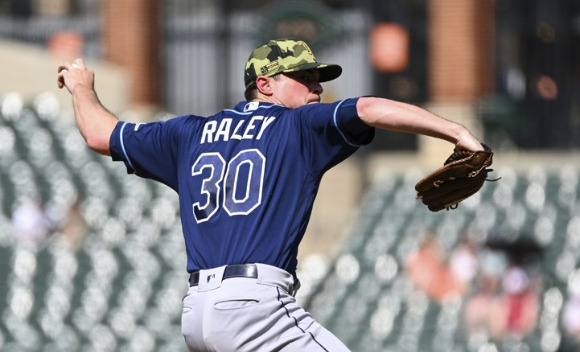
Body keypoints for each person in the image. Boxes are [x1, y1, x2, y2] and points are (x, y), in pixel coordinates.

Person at [57, 38, 484, 352]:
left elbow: (99, 134)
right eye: (304, 79)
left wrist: (80, 86)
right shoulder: (296, 127)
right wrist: (458, 131)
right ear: (265, 84)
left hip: (197, 314)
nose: (316, 89)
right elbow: (369, 107)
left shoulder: (187, 134)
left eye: (317, 80)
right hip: (253, 307)